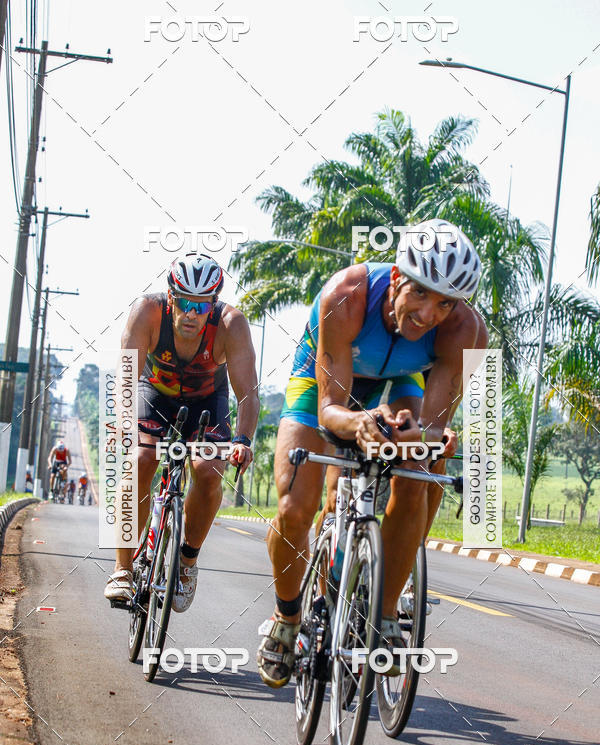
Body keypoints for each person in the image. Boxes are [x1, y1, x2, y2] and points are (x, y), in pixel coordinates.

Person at [257, 219, 488, 687]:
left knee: (420, 469)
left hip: (403, 378)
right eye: (420, 293)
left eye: (445, 303)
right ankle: (286, 618)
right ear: (397, 278)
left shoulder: (467, 331)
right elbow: (329, 411)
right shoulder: (346, 296)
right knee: (295, 508)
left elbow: (434, 426)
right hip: (324, 381)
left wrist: (426, 436)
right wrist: (361, 422)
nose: (428, 314)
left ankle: (383, 619)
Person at [104, 252, 259, 611]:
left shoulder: (232, 324)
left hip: (207, 401)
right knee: (140, 460)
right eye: (185, 303)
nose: (191, 314)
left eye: (201, 306)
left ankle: (187, 562)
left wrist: (243, 440)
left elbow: (248, 394)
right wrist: (122, 423)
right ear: (171, 297)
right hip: (154, 394)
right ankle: (122, 569)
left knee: (209, 470)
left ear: (213, 304)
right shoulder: (147, 311)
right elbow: (125, 378)